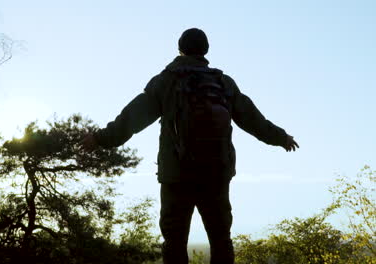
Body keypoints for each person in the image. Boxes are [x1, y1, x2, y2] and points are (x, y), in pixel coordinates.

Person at [80, 28, 299, 264]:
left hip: (177, 175)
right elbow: (253, 119)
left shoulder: (167, 81)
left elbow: (132, 118)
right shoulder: (223, 83)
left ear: (180, 49)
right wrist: (281, 138)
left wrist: (101, 138)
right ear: (205, 51)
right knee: (221, 239)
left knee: (174, 242)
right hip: (216, 173)